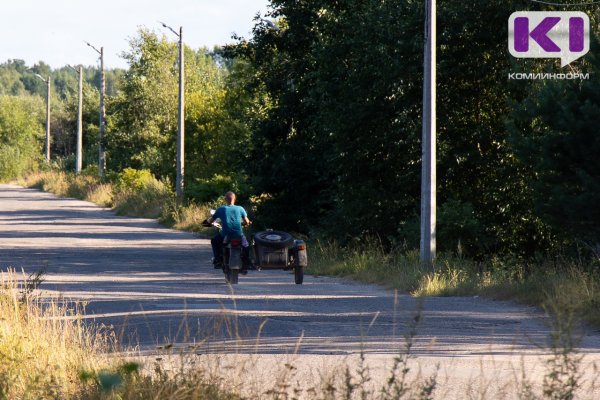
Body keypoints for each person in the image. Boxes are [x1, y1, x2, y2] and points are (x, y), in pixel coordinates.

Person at [206, 191, 252, 269]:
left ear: (225, 199)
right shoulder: (240, 208)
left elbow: (210, 221)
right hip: (238, 235)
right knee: (246, 245)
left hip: (225, 235)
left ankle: (217, 259)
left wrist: (208, 223)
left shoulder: (221, 209)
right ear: (235, 199)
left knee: (214, 241)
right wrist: (245, 223)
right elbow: (247, 221)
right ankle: (246, 262)